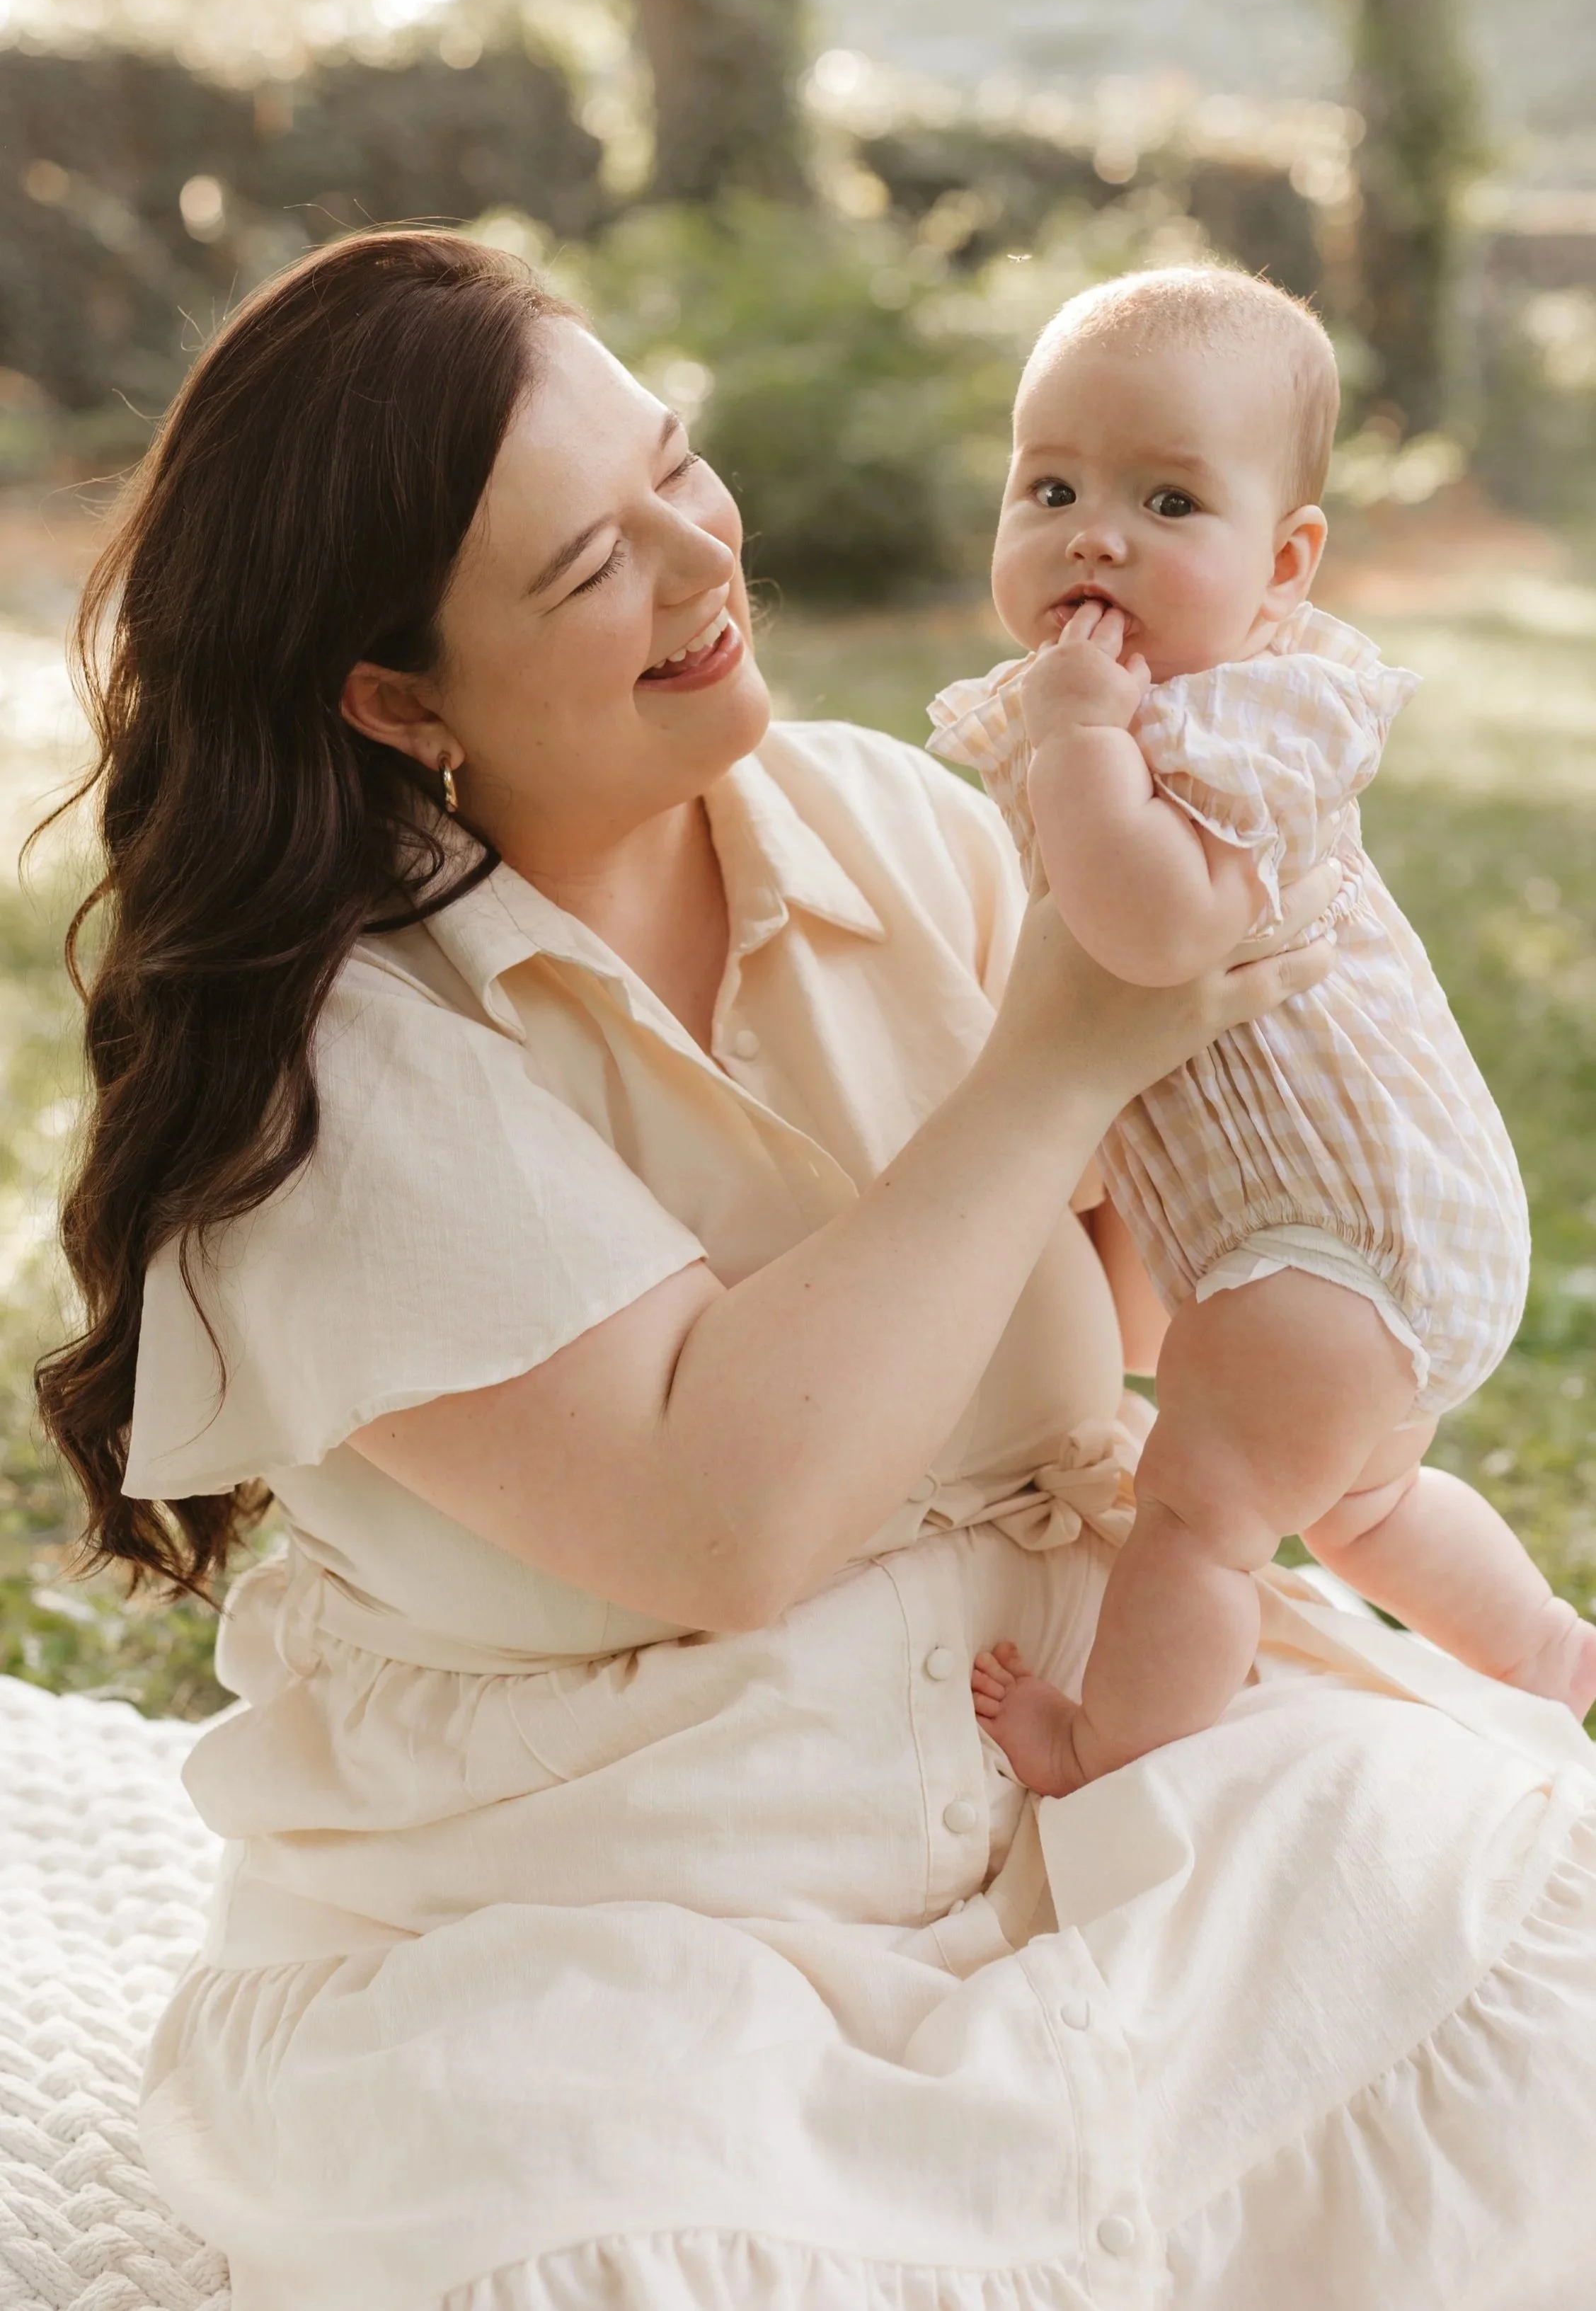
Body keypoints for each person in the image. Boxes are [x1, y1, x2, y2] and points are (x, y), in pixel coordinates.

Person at [36, 229, 1596, 2311]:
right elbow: (723, 1514)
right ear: (399, 693)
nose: (700, 569)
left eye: (677, 470)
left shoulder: (893, 819)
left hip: (1074, 1760)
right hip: (632, 1882)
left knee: (1512, 1962)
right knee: (639, 2222)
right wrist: (1048, 1065)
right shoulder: (321, 1078)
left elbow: (1107, 1325)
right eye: (593, 567)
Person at [928, 266, 1596, 1800]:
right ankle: (1551, 1656)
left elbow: (1153, 932)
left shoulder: (1238, 716)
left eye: (1168, 502)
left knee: (1199, 1515)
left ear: (1282, 562)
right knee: (1363, 1498)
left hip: (1324, 1242)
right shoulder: (1148, 700)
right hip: (1356, 1245)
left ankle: (1106, 1742)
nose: (1094, 533)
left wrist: (1081, 735)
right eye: (1051, 487)